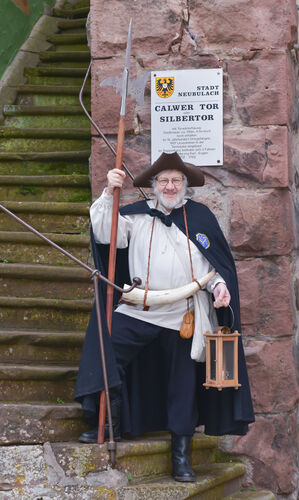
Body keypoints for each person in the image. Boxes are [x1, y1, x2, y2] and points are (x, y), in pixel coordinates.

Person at [75, 151, 254, 482]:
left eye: (175, 180)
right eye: (163, 180)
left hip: (184, 315)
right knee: (105, 351)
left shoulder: (201, 218)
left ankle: (181, 458)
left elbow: (214, 268)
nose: (169, 186)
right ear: (154, 185)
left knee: (182, 385)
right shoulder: (135, 217)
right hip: (139, 308)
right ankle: (106, 423)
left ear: (185, 185)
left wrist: (219, 288)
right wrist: (108, 192)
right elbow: (104, 233)